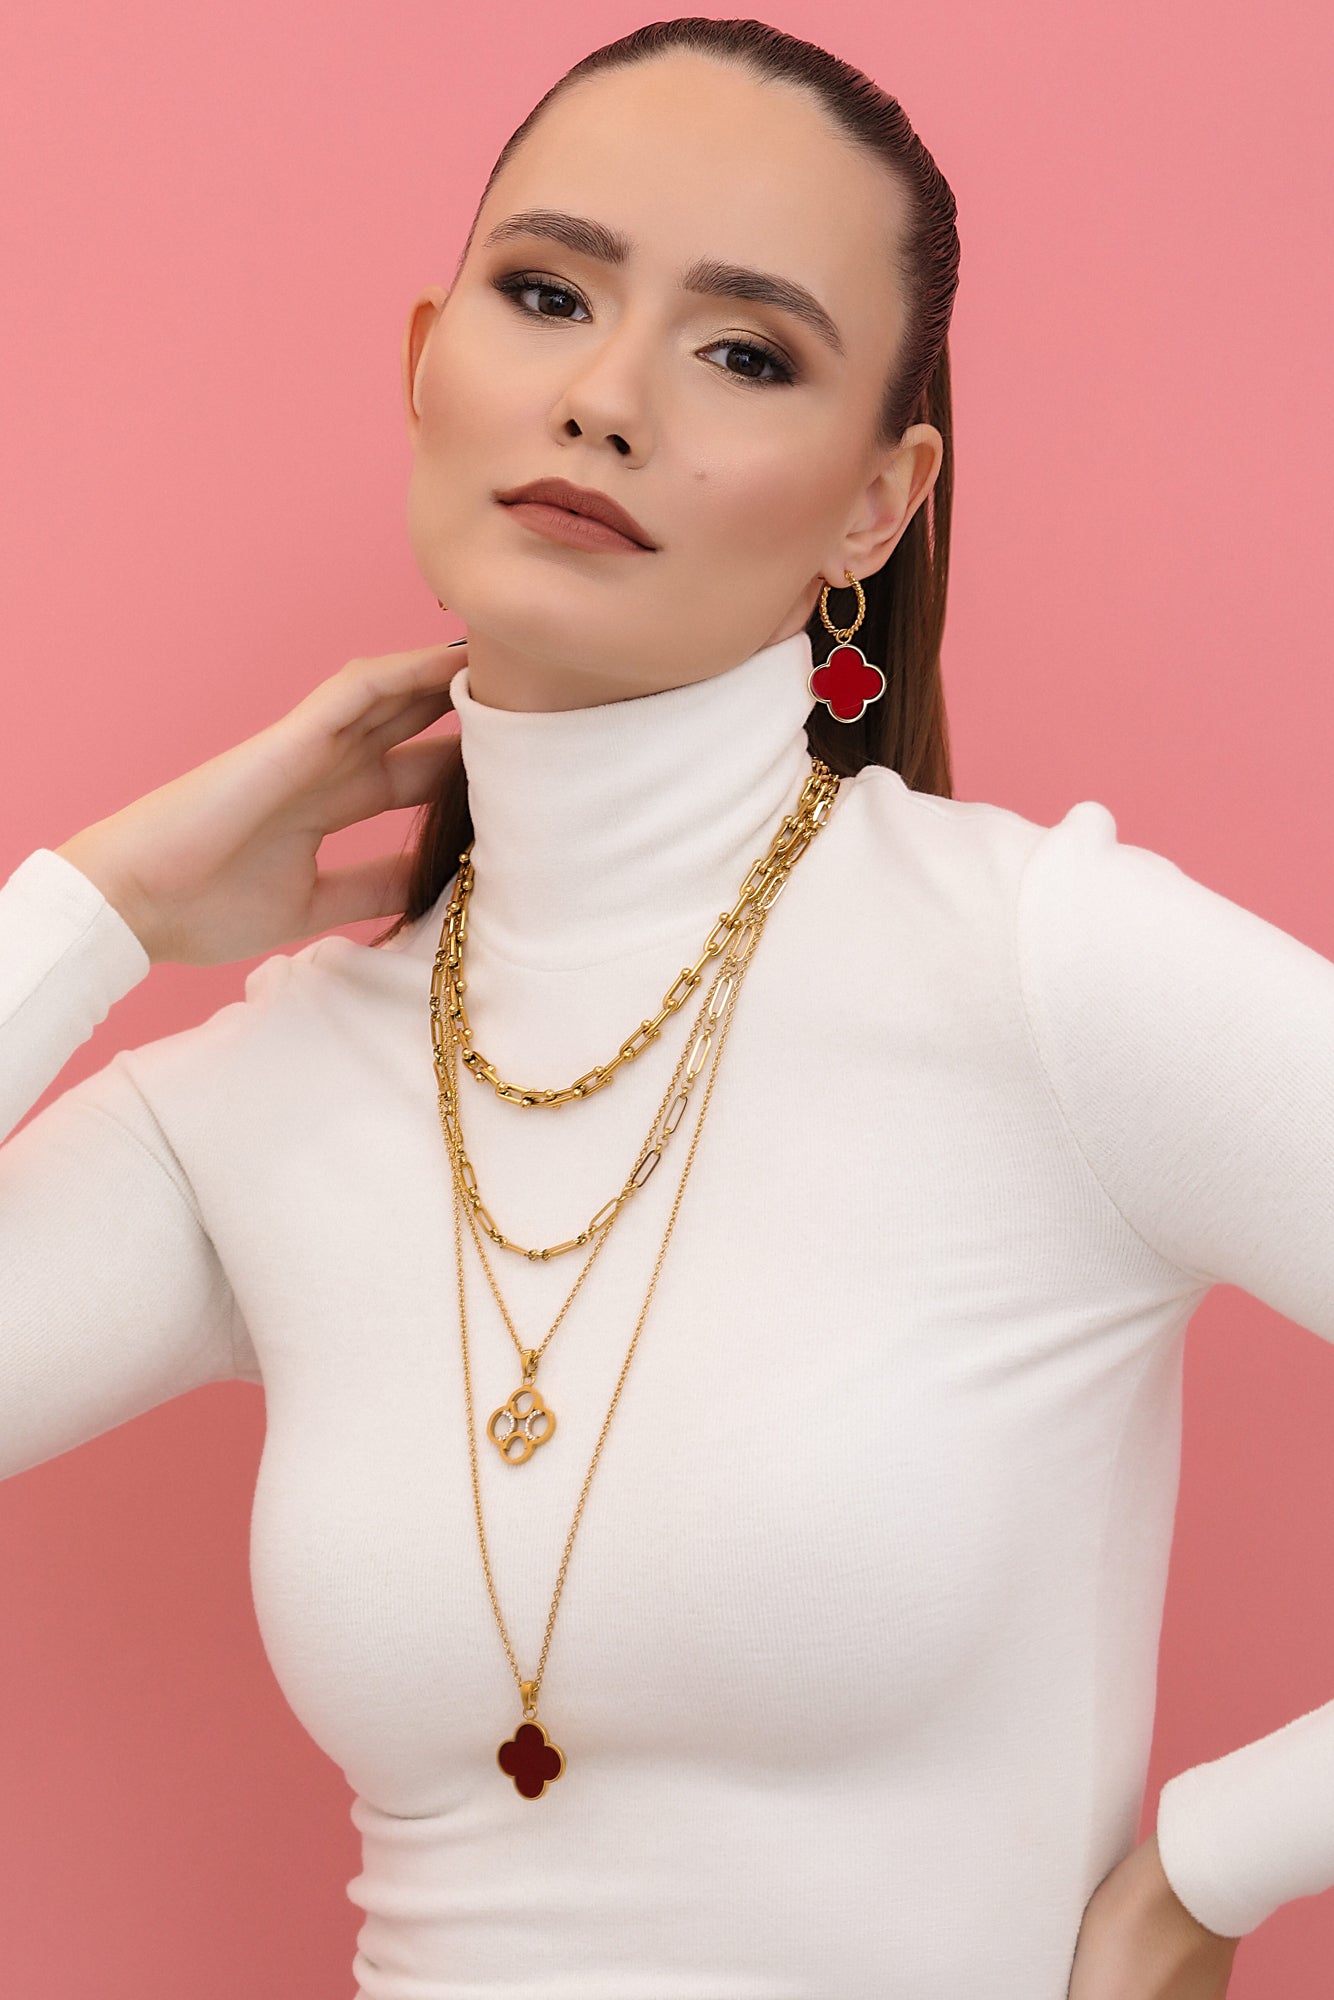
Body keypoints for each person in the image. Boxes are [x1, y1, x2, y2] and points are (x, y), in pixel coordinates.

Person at [3, 17, 1330, 1999]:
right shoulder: (268, 1094)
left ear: (876, 503)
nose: (606, 397)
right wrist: (100, 903)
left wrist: (1212, 1865)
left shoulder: (1036, 970)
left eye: (744, 352)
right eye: (549, 296)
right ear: (425, 361)